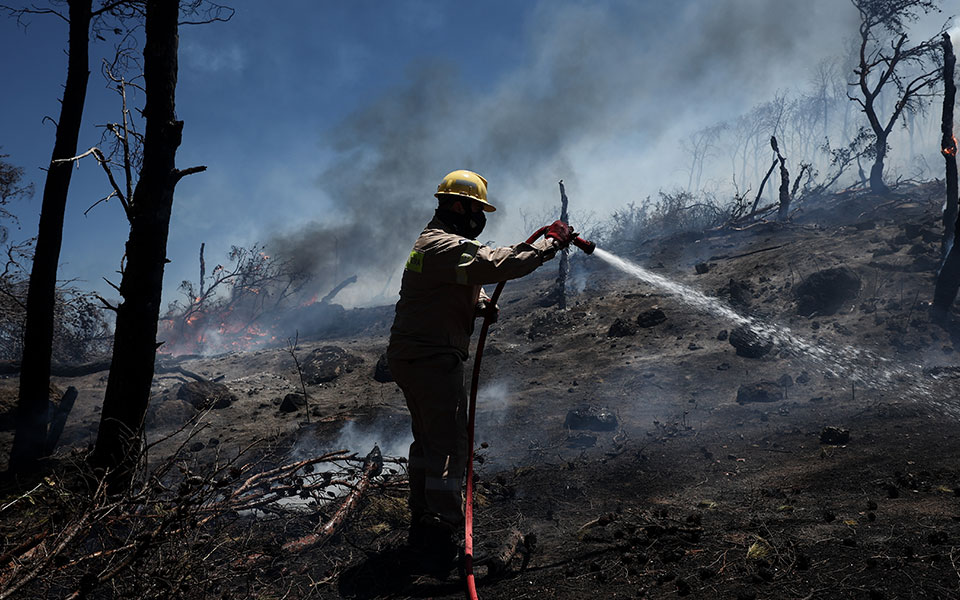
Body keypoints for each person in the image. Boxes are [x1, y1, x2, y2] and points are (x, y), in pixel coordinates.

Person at [386, 169, 576, 570]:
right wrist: (546, 246)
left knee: (427, 442)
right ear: (458, 206)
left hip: (416, 355)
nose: (480, 218)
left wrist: (477, 304)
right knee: (448, 446)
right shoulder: (440, 244)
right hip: (431, 357)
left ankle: (423, 525)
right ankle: (440, 535)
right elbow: (490, 262)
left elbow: (454, 281)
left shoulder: (436, 244)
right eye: (476, 209)